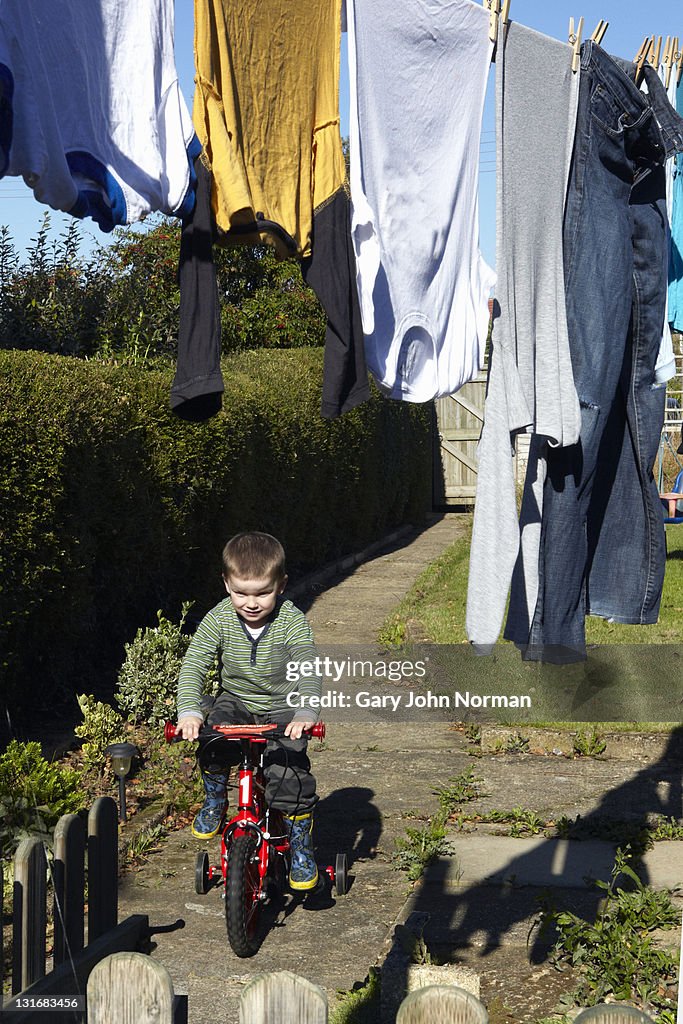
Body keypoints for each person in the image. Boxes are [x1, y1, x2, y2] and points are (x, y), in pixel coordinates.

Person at [176, 531, 322, 891]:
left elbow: (308, 665)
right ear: (227, 583)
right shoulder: (219, 619)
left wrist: (306, 710)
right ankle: (214, 800)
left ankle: (301, 847)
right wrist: (189, 711)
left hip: (282, 705)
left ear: (282, 584)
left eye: (262, 593)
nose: (251, 603)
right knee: (213, 738)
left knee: (288, 773)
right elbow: (194, 665)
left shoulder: (291, 621)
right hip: (237, 699)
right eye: (241, 592)